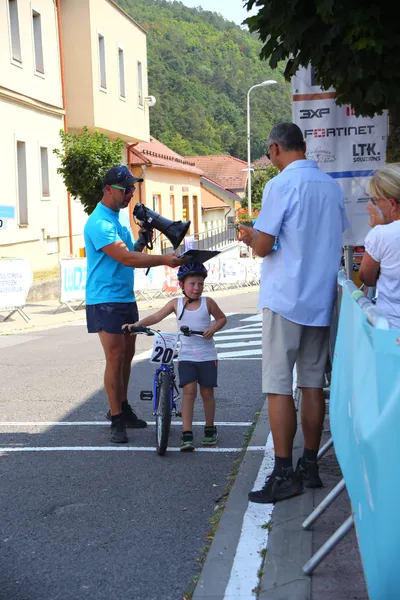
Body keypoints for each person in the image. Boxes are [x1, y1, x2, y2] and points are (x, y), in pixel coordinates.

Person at [239, 122, 349, 504]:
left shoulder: (280, 185)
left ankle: (283, 471)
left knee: (278, 384)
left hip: (285, 296)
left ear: (274, 149)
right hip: (321, 298)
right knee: (313, 383)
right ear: (303, 146)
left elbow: (264, 246)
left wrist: (250, 234)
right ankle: (310, 465)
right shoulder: (331, 187)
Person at [84, 165, 185, 444]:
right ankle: (116, 417)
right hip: (104, 298)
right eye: (125, 189)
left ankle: (124, 406)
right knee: (115, 357)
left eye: (132, 188)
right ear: (108, 190)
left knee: (127, 356)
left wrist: (141, 241)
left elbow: (131, 254)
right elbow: (125, 259)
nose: (130, 193)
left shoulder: (118, 219)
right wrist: (165, 259)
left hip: (124, 296)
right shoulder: (99, 223)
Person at [123, 262, 227, 451]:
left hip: (207, 355)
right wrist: (136, 324)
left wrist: (213, 328)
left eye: (200, 284)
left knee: (207, 394)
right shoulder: (176, 304)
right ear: (182, 285)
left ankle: (210, 429)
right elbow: (156, 317)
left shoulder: (208, 302)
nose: (197, 288)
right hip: (187, 356)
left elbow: (222, 318)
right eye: (192, 284)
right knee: (188, 393)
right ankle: (186, 434)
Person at [359, 163, 400, 329]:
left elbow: (366, 277)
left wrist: (378, 229)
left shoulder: (382, 234)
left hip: (392, 327)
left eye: (375, 201)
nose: (370, 207)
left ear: (392, 203)